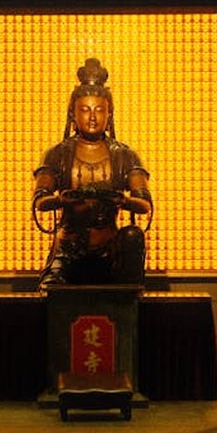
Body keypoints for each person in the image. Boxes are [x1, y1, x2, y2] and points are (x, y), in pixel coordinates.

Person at [32, 57, 152, 290]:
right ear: (73, 114)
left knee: (133, 235)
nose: (93, 117)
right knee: (51, 293)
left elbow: (145, 205)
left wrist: (122, 200)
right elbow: (40, 201)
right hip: (68, 248)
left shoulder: (124, 155)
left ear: (109, 115)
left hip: (110, 248)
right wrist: (62, 199)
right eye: (85, 110)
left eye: (99, 110)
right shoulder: (58, 154)